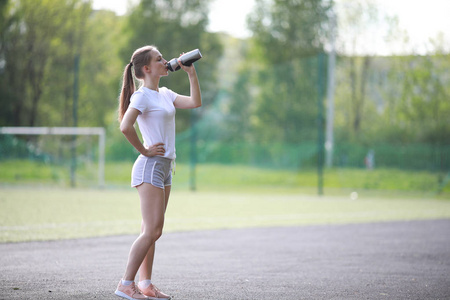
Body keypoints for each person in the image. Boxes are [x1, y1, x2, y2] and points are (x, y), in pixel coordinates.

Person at [115, 45, 201, 300]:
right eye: (159, 59)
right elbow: (125, 126)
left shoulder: (164, 93)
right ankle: (125, 284)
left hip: (165, 167)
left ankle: (146, 284)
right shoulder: (142, 96)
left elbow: (195, 102)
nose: (165, 61)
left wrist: (191, 73)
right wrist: (144, 149)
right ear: (146, 68)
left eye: (163, 58)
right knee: (152, 230)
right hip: (150, 166)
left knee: (151, 229)